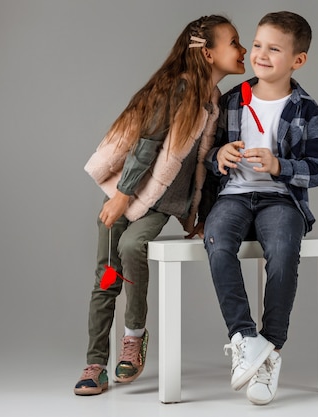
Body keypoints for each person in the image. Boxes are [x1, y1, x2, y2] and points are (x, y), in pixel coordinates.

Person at [75, 15, 247, 396]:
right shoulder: (180, 88)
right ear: (207, 53)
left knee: (134, 246)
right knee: (106, 277)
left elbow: (208, 169)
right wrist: (120, 195)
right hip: (125, 195)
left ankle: (134, 337)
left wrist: (201, 217)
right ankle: (95, 363)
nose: (243, 49)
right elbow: (147, 144)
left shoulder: (215, 103)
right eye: (234, 42)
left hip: (155, 203)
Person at [203, 11, 318, 405]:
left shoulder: (306, 109)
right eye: (257, 45)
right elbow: (207, 154)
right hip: (234, 196)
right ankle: (244, 338)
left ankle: (271, 348)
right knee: (217, 240)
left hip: (281, 200)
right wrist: (219, 155)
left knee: (284, 251)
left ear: (297, 60)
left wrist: (279, 165)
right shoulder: (232, 100)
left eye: (274, 49)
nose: (260, 54)